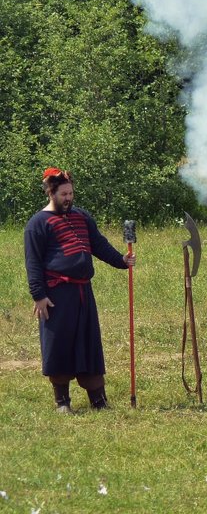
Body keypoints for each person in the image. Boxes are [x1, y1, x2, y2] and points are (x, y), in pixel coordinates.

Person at [24, 168, 135, 413]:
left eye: (71, 193)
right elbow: (33, 263)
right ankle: (62, 402)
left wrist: (121, 261)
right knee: (59, 344)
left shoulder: (82, 216)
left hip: (84, 293)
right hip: (56, 295)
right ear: (51, 193)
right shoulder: (37, 224)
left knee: (89, 343)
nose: (68, 198)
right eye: (64, 194)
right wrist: (39, 295)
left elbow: (99, 245)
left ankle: (98, 400)